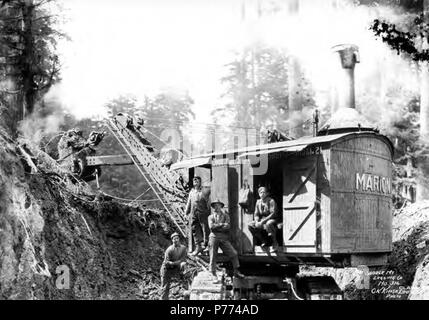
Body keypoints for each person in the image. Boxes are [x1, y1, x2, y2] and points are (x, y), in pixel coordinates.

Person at [208, 199, 245, 282]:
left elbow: (227, 227)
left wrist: (217, 226)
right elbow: (211, 227)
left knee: (234, 253)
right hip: (213, 237)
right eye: (215, 205)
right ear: (213, 207)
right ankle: (213, 274)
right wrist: (221, 225)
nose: (217, 207)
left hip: (223, 237)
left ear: (221, 206)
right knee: (213, 256)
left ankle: (236, 271)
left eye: (218, 205)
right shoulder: (210, 217)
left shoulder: (226, 216)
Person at [185, 176, 210, 255]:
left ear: (200, 183)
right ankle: (198, 247)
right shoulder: (191, 192)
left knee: (205, 230)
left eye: (197, 181)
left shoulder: (203, 191)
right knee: (195, 229)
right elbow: (189, 203)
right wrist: (186, 213)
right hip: (193, 214)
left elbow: (208, 202)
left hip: (202, 213)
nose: (195, 181)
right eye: (194, 180)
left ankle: (206, 246)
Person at [248, 186, 279, 251]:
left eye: (264, 192)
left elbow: (273, 214)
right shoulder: (258, 202)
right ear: (259, 194)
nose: (262, 194)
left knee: (268, 223)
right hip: (262, 220)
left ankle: (275, 243)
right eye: (261, 192)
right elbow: (256, 214)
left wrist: (262, 222)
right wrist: (256, 221)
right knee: (251, 225)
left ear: (267, 193)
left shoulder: (271, 201)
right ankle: (263, 240)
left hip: (272, 219)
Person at [160, 232, 187, 300]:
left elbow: (183, 259)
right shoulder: (169, 249)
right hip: (167, 269)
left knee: (187, 272)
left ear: (179, 239)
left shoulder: (183, 248)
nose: (176, 240)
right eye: (174, 239)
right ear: (172, 240)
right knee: (165, 287)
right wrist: (176, 263)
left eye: (177, 238)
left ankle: (187, 295)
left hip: (176, 267)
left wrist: (178, 264)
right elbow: (167, 262)